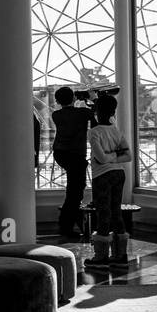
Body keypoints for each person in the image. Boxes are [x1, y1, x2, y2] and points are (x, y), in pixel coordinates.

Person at [84, 94, 131, 271]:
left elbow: (101, 159)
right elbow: (128, 155)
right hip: (119, 174)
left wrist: (107, 157)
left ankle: (101, 257)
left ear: (96, 111)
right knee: (116, 212)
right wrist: (115, 156)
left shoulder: (93, 132)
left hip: (102, 176)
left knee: (103, 213)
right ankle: (120, 255)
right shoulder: (116, 131)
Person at [51, 87, 96, 239]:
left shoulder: (56, 115)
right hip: (76, 155)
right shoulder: (83, 113)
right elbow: (97, 112)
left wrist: (77, 101)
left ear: (57, 101)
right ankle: (66, 225)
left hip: (60, 153)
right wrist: (90, 99)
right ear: (73, 98)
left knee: (74, 190)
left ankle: (69, 223)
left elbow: (72, 113)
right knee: (75, 192)